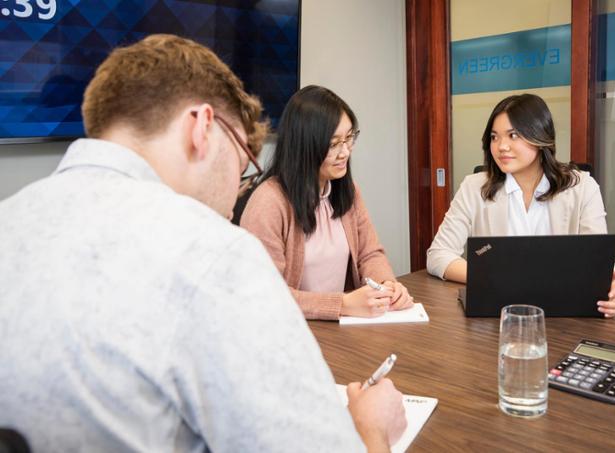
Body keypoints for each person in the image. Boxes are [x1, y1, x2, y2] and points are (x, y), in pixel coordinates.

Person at [0, 34, 406, 452]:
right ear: (202, 127)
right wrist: (371, 430)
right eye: (243, 157)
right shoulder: (212, 252)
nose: (237, 190)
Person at [426, 93, 615, 318]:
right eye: (494, 137)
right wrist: (500, 276)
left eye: (513, 135)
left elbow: (597, 260)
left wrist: (608, 285)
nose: (501, 146)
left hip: (565, 315)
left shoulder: (582, 187)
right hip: (496, 317)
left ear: (540, 136)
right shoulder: (474, 187)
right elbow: (438, 255)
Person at [240, 85, 413, 320]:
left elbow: (370, 254)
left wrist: (387, 285)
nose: (345, 152)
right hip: (292, 330)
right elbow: (265, 293)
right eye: (333, 144)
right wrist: (341, 304)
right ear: (305, 146)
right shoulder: (269, 202)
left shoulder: (347, 191)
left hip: (340, 330)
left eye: (349, 138)